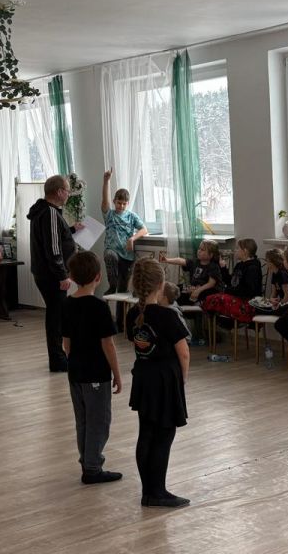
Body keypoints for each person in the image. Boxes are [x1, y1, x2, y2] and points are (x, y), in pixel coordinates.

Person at [128, 259, 191, 508]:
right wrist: (182, 379)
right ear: (161, 284)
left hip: (143, 378)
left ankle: (148, 491)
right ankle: (158, 492)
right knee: (164, 434)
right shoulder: (167, 315)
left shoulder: (133, 314)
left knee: (146, 433)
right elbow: (183, 353)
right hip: (164, 381)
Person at [61, 250, 123, 484]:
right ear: (98, 277)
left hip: (75, 372)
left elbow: (66, 344)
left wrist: (74, 363)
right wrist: (117, 374)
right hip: (95, 373)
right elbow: (108, 344)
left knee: (83, 420)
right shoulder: (99, 307)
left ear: (72, 277)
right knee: (99, 421)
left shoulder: (67, 304)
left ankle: (87, 462)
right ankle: (93, 468)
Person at [28, 174, 79, 372]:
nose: (68, 194)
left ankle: (58, 357)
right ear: (59, 192)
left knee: (55, 315)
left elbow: (53, 236)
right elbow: (53, 249)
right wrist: (62, 275)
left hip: (45, 273)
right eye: (67, 190)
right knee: (56, 318)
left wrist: (71, 229)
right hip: (52, 275)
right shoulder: (50, 212)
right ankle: (58, 360)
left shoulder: (45, 211)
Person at [100, 168, 147, 309]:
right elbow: (104, 200)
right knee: (109, 255)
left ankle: (121, 319)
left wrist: (132, 238)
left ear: (127, 203)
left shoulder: (131, 216)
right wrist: (106, 181)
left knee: (122, 292)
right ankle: (112, 284)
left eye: (124, 203)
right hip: (113, 251)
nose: (121, 206)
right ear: (114, 201)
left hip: (127, 256)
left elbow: (144, 230)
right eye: (118, 203)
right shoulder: (109, 215)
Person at [203, 238, 263, 324]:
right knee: (211, 296)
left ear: (245, 251)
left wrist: (227, 290)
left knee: (215, 299)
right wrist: (223, 268)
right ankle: (222, 322)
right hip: (236, 297)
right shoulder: (239, 265)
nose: (235, 250)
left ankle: (225, 322)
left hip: (248, 302)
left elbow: (248, 291)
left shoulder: (252, 268)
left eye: (237, 248)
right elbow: (231, 282)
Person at [160, 240, 224, 306]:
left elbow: (211, 284)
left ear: (211, 255)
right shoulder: (195, 262)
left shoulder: (213, 266)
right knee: (177, 289)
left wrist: (198, 291)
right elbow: (181, 260)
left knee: (186, 297)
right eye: (199, 248)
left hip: (207, 291)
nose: (199, 251)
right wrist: (167, 260)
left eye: (202, 250)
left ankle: (194, 305)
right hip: (194, 288)